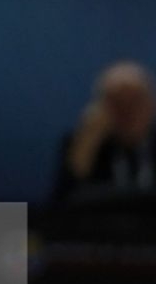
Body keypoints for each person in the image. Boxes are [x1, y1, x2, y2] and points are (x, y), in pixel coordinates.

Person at [54, 60, 156, 201]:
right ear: (101, 108)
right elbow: (62, 201)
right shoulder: (82, 143)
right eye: (117, 103)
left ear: (151, 105)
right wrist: (88, 141)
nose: (127, 111)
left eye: (135, 101)